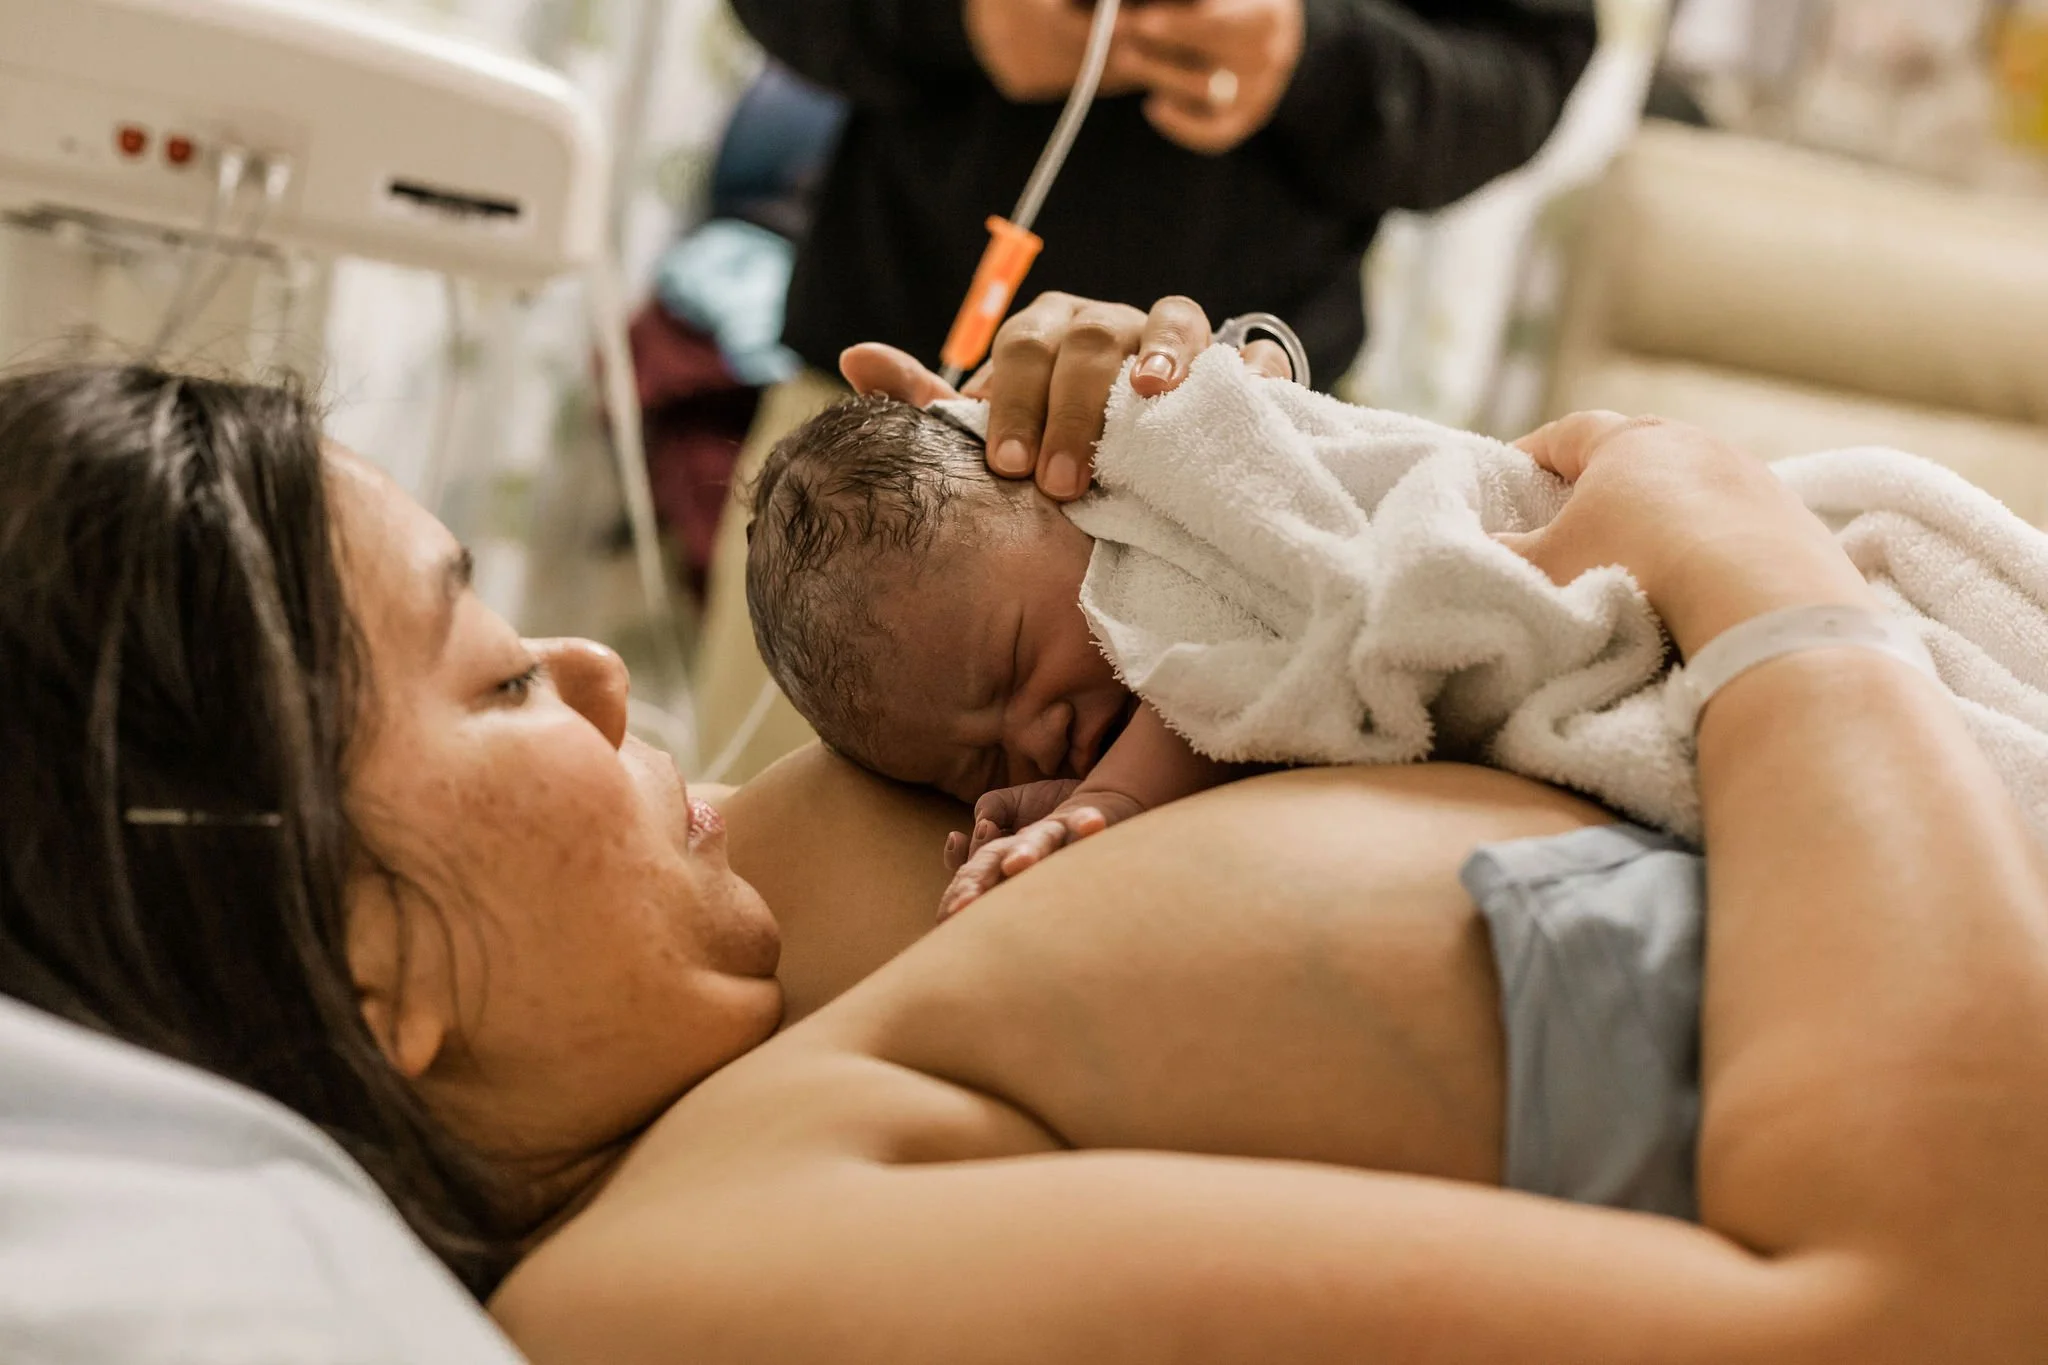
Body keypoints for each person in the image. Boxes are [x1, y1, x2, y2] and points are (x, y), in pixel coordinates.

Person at [2, 298, 2045, 1363]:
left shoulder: (739, 934)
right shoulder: (687, 1288)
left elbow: (1295, 580)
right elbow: (1908, 1318)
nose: (607, 672)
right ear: (371, 957)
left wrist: (1162, 458)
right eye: (499, 680)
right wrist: (1774, 596)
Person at [698, 0, 1601, 779]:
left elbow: (1525, 67)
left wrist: (1314, 58)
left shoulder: (1303, 552)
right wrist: (954, 21)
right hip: (893, 413)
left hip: (1258, 406)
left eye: (1015, 678)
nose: (1042, 740)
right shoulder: (860, 542)